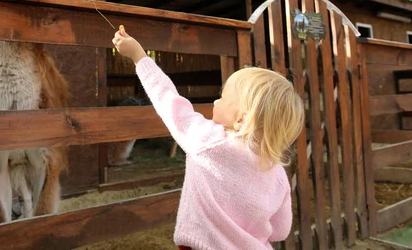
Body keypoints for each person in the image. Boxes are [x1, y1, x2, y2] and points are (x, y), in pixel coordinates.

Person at [112, 28, 304, 250]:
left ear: (242, 119)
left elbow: (168, 99)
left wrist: (139, 56)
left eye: (222, 98)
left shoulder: (208, 141)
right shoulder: (277, 171)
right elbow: (281, 229)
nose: (215, 102)